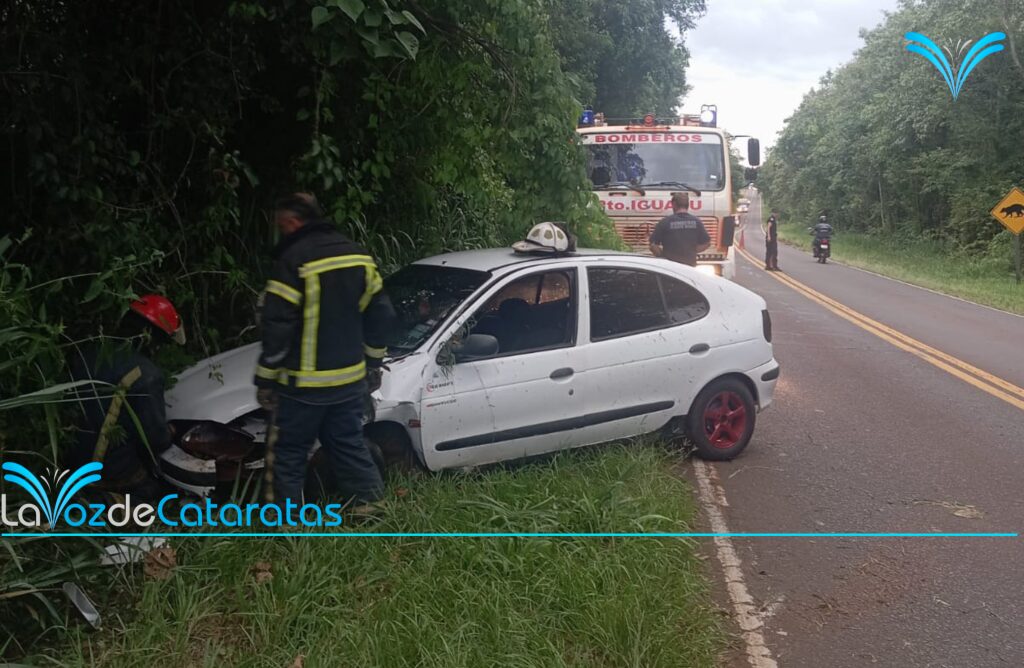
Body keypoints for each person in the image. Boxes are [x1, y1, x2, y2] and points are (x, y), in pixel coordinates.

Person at [254, 193, 396, 513]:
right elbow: (382, 315)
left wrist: (265, 378)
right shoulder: (358, 257)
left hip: (303, 387)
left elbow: (277, 325)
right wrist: (373, 361)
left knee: (288, 453)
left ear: (292, 222)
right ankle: (370, 508)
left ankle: (286, 524)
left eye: (281, 224)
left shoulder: (294, 261)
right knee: (348, 444)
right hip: (348, 382)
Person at [67, 295, 185, 499]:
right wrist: (171, 431)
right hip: (103, 471)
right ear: (153, 338)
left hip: (71, 459)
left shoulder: (90, 351)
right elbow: (155, 440)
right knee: (163, 488)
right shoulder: (145, 374)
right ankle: (113, 501)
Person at [649, 192, 711, 266]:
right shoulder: (697, 222)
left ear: (674, 204)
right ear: (688, 205)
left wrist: (662, 256)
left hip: (670, 267)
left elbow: (653, 245)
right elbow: (707, 243)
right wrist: (692, 251)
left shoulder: (664, 222)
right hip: (690, 266)